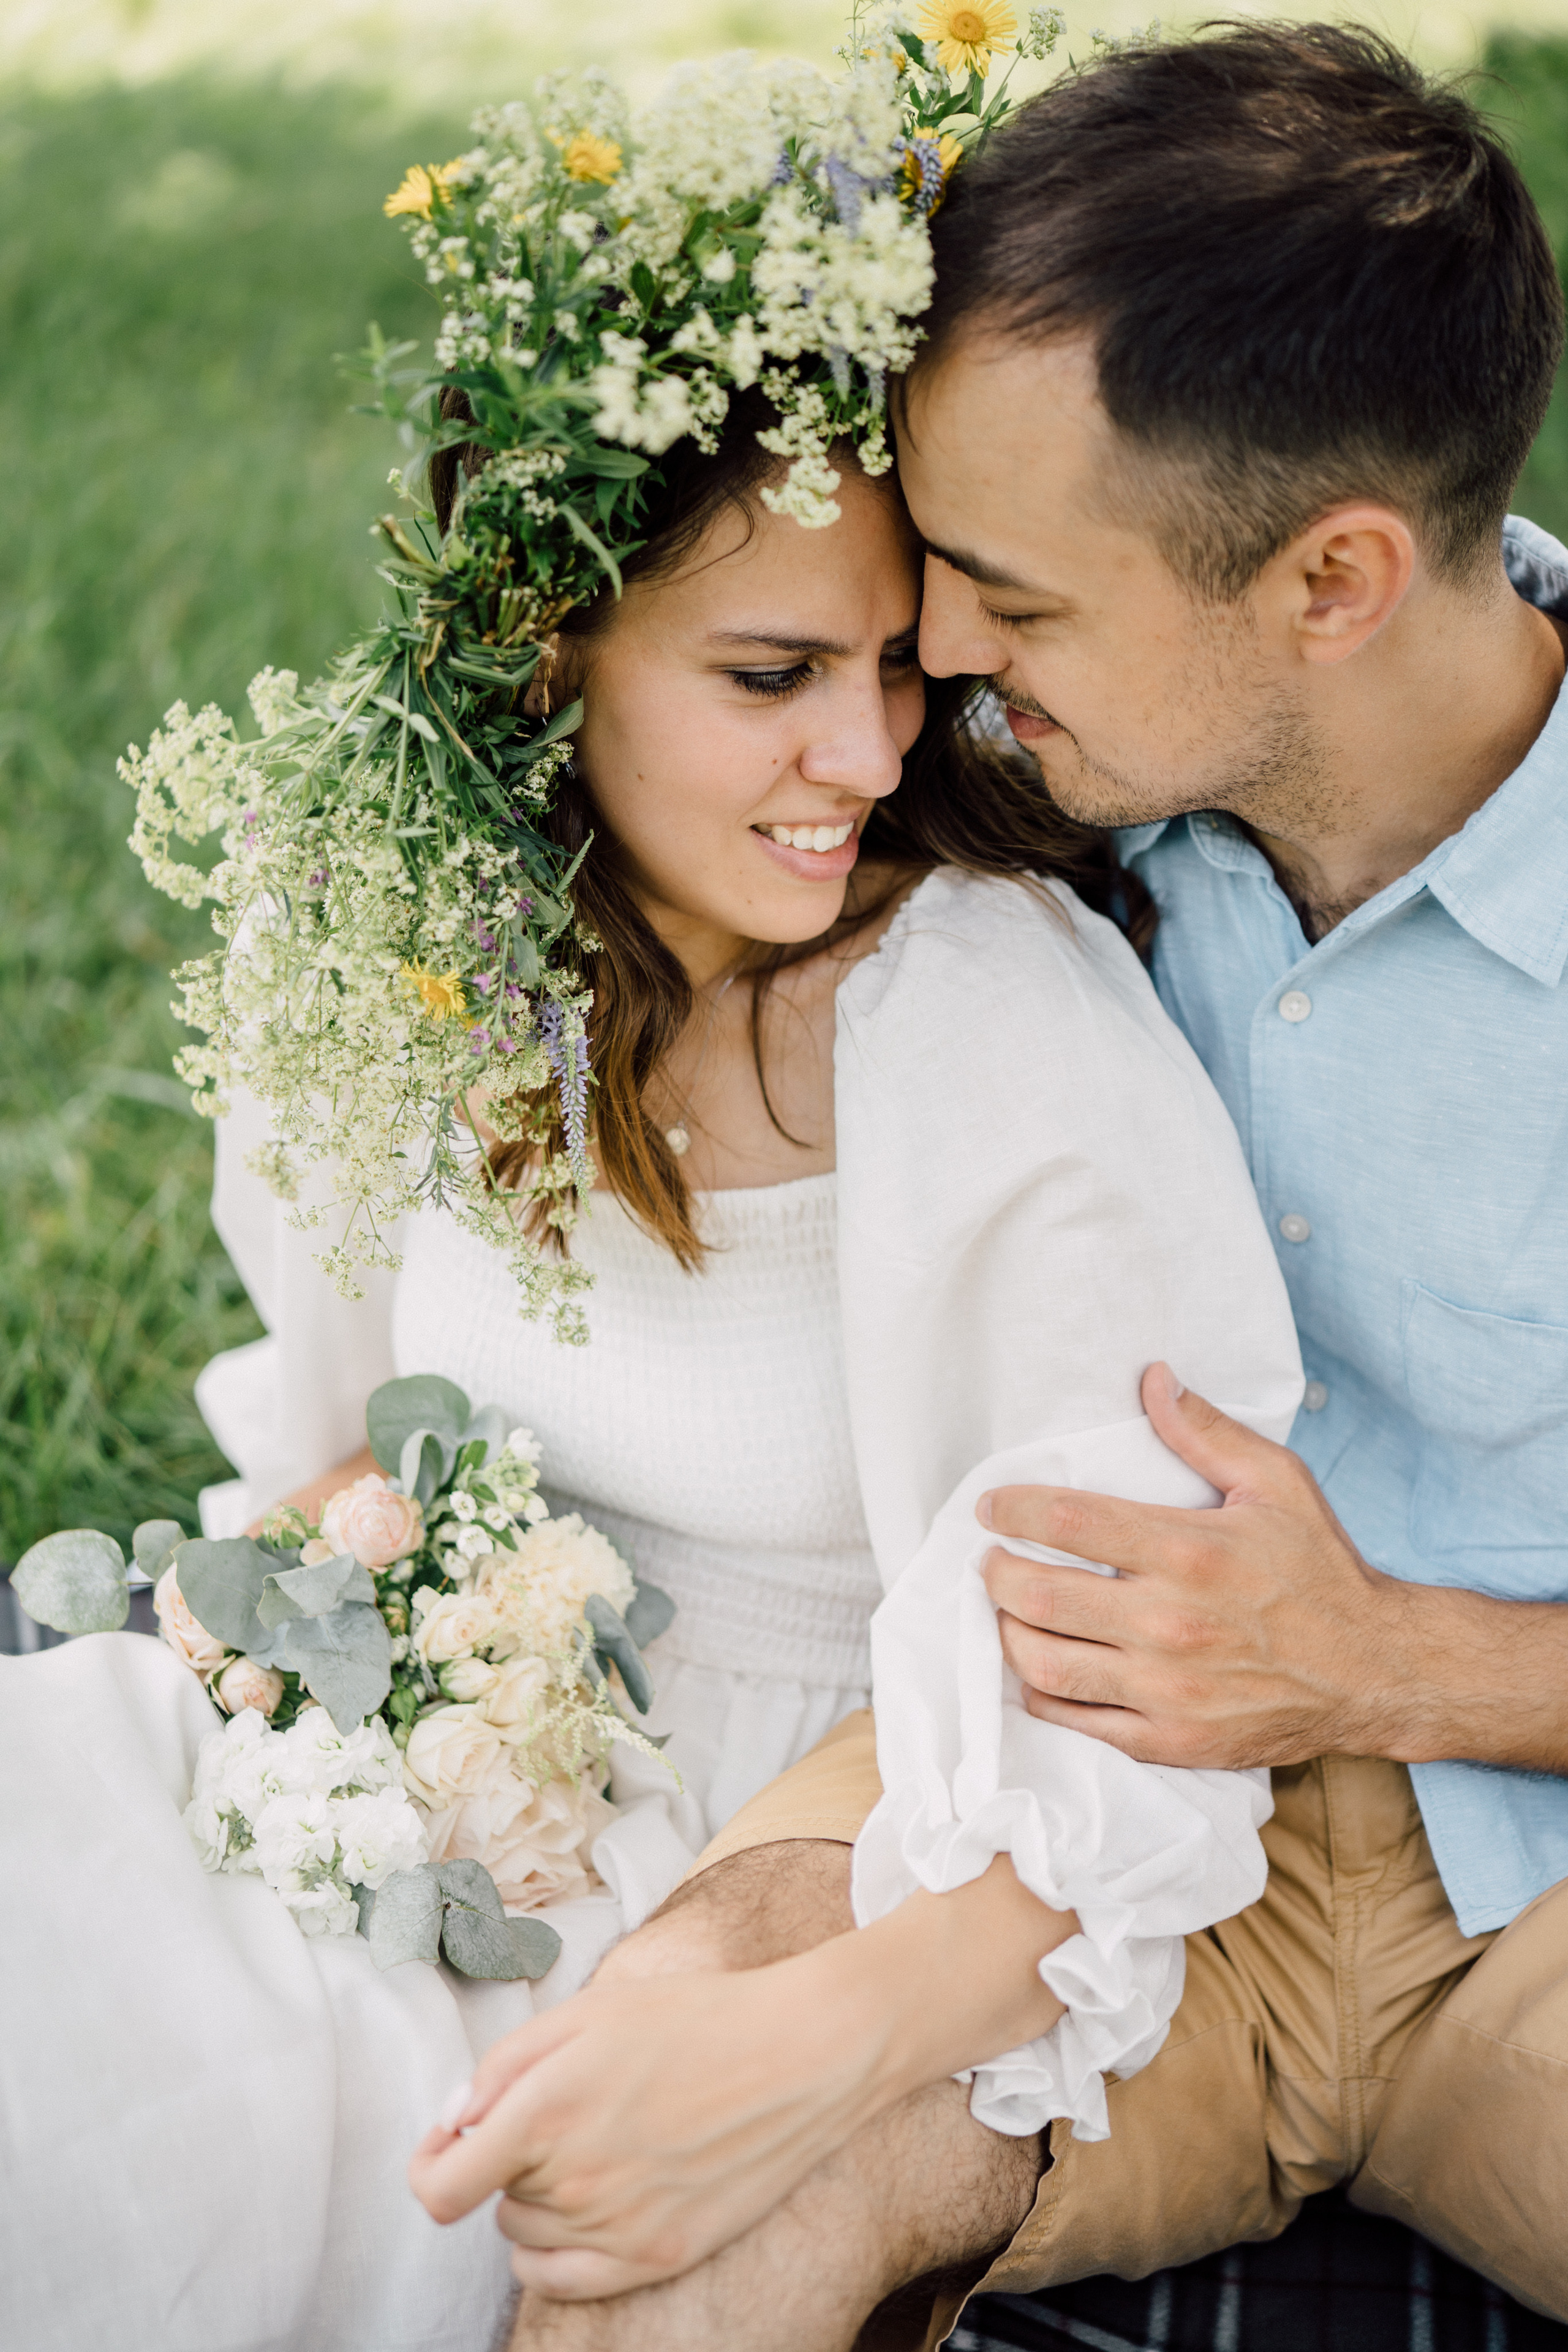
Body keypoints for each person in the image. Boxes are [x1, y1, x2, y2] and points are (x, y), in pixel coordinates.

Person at [407, 22, 1568, 2352]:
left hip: (1526, 1904)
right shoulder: (1018, 802)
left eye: (1013, 604)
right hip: (1036, 1808)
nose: (935, 661)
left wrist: (1397, 1661)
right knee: (647, 2209)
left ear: (1333, 580)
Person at [0, 336, 1305, 2350]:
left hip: (738, 1853)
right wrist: (310, 1604)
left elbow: (1142, 1662)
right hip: (378, 1731)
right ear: (548, 659)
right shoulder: (421, 946)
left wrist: (811, 2013)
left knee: (193, 2121)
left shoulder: (972, 1013)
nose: (869, 757)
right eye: (772, 678)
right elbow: (330, 1420)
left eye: (895, 667)